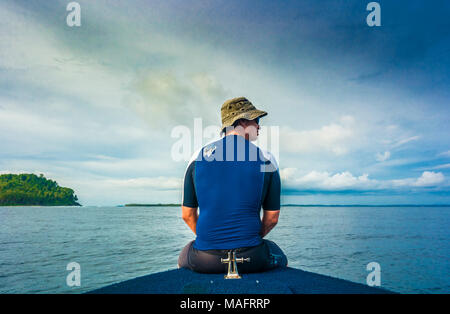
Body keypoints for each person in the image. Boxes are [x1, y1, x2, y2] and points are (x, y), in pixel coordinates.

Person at [177, 97, 287, 274]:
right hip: (252, 258)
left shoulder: (197, 156)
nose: (259, 127)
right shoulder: (267, 159)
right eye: (256, 121)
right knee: (277, 253)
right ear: (242, 121)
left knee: (184, 254)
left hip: (205, 260)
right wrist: (247, 242)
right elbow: (272, 218)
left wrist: (212, 242)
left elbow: (187, 215)